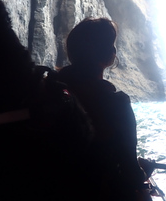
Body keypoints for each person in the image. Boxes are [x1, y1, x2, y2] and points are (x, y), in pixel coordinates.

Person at [58, 18, 149, 201]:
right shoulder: (116, 104)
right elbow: (130, 171)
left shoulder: (50, 93)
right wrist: (145, 172)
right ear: (109, 55)